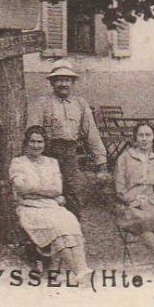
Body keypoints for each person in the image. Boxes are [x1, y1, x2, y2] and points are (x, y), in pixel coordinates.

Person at [26, 60, 107, 216]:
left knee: (73, 192)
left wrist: (101, 163)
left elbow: (92, 134)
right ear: (52, 82)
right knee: (48, 191)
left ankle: (74, 230)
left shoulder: (80, 104)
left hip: (70, 153)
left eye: (67, 80)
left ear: (72, 82)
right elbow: (33, 132)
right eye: (59, 80)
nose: (63, 84)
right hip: (47, 154)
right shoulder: (42, 104)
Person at [9, 125, 88, 277]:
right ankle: (79, 272)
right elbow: (21, 188)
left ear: (45, 144)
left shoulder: (52, 163)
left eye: (40, 142)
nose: (36, 145)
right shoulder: (18, 163)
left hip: (52, 207)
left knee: (70, 223)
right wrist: (46, 191)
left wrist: (33, 190)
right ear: (26, 143)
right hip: (30, 209)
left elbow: (58, 189)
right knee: (57, 230)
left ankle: (82, 268)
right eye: (32, 141)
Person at [113, 121, 154, 260]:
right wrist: (134, 200)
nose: (144, 139)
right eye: (141, 135)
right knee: (143, 220)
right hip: (129, 206)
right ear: (135, 138)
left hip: (153, 206)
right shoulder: (125, 158)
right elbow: (119, 189)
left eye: (148, 135)